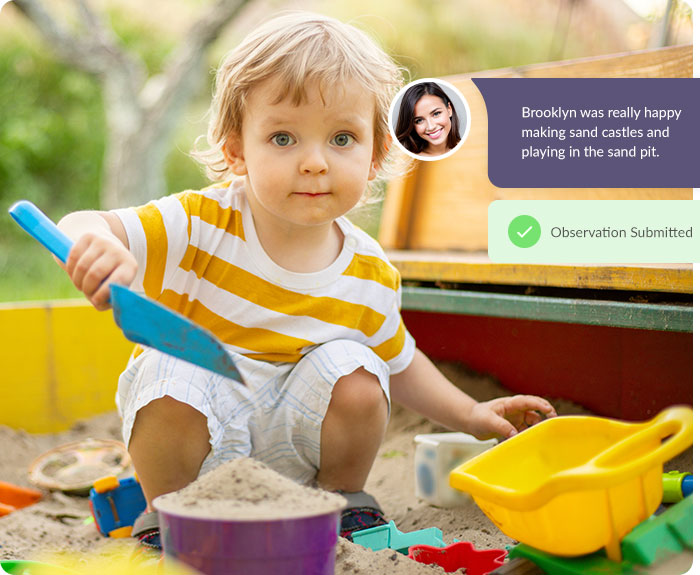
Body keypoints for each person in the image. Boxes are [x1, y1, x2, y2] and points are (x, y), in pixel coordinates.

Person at [55, 12, 556, 549]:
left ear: (375, 155)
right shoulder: (199, 222)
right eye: (284, 137)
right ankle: (167, 516)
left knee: (360, 368)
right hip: (200, 450)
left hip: (298, 456)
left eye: (342, 137)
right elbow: (86, 224)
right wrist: (93, 243)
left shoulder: (368, 271)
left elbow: (401, 361)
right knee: (167, 364)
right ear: (236, 150)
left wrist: (471, 412)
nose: (315, 162)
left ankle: (339, 505)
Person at [395, 81, 462, 157]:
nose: (431, 127)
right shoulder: (408, 160)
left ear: (449, 109)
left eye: (436, 114)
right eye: (419, 120)